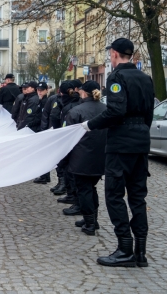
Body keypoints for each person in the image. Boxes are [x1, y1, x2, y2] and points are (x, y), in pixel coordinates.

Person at [83, 38, 154, 267]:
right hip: (141, 143)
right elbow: (150, 114)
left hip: (121, 144)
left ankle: (125, 248)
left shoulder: (116, 77)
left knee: (114, 195)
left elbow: (115, 111)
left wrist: (90, 125)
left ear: (114, 54)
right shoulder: (146, 79)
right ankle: (140, 252)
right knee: (137, 197)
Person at [65, 81, 107, 235]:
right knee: (91, 187)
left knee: (84, 189)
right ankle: (91, 218)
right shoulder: (106, 109)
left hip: (81, 157)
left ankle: (90, 222)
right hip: (101, 156)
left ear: (83, 92)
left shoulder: (76, 111)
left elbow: (68, 137)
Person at [32, 82, 51, 184]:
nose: (39, 92)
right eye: (38, 90)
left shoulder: (46, 101)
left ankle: (44, 176)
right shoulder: (40, 101)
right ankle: (45, 175)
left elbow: (45, 117)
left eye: (41, 90)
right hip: (40, 128)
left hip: (44, 129)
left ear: (46, 90)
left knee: (44, 154)